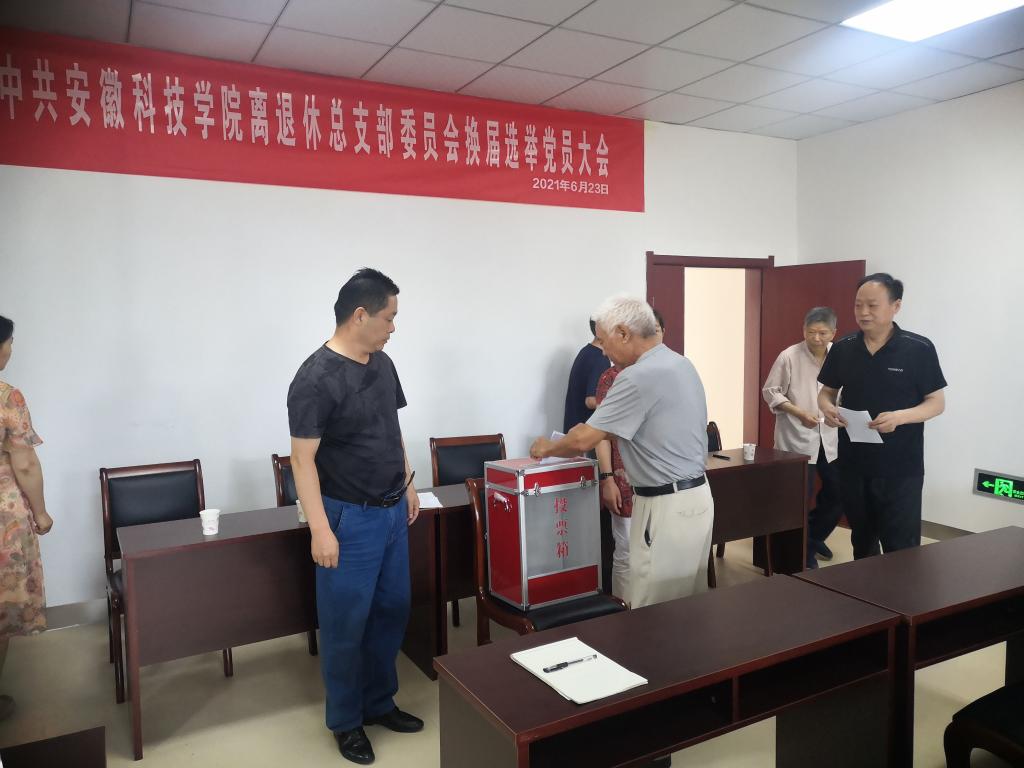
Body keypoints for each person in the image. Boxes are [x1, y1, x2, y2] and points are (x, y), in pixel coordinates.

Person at [287, 269, 423, 765]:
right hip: (347, 518)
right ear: (360, 315)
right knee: (346, 623)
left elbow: (392, 428)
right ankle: (346, 722)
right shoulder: (315, 378)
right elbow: (302, 460)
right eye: (389, 317)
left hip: (391, 512)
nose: (393, 328)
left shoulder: (382, 363)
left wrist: (408, 481)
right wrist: (320, 530)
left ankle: (379, 702)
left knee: (392, 610)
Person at [532, 297, 712, 608]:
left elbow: (583, 440)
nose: (603, 351)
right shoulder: (681, 363)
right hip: (697, 499)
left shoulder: (637, 376)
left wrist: (546, 447)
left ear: (624, 334)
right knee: (688, 606)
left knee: (652, 609)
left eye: (603, 341)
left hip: (666, 507)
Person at [818, 273, 946, 559]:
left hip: (900, 468)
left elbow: (936, 403)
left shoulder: (918, 349)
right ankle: (866, 589)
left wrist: (900, 417)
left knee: (900, 549)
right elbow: (826, 392)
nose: (863, 312)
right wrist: (827, 408)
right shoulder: (843, 348)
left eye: (872, 305)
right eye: (858, 305)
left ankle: (901, 591)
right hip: (853, 463)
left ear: (895, 306)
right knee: (862, 542)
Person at [0, 315, 53, 722]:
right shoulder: (7, 398)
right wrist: (41, 512)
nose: (11, 349)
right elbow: (25, 464)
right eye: (9, 343)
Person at [762, 307, 841, 569]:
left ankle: (812, 538)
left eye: (823, 333)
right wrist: (798, 412)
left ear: (833, 333)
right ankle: (800, 552)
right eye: (811, 332)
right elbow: (771, 391)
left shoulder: (839, 355)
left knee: (839, 493)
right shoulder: (789, 356)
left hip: (829, 438)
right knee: (798, 499)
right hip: (796, 438)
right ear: (803, 330)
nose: (816, 338)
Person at [596, 309, 665, 601]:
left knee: (659, 554)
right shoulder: (612, 377)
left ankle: (654, 612)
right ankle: (623, 611)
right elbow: (600, 434)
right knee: (626, 552)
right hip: (625, 481)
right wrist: (607, 479)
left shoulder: (669, 372)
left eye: (657, 330)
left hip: (661, 480)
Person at [563, 318, 610, 434]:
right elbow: (591, 401)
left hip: (574, 430)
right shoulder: (600, 359)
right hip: (585, 434)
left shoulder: (585, 351)